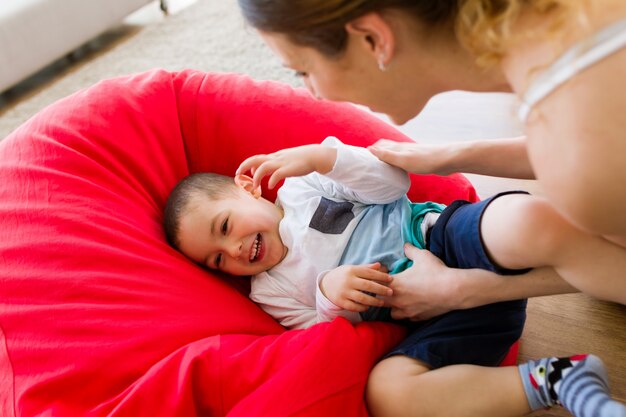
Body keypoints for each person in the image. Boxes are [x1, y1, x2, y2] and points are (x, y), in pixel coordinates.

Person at [235, 1, 626, 415]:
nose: (311, 91)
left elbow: (578, 172)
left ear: (373, 39)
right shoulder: (569, 72)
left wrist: (466, 290)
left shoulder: (584, 152)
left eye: (302, 70)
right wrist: (451, 156)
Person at [164, 138, 624, 417]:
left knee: (519, 220)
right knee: (388, 396)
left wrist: (326, 157)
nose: (234, 250)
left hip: (443, 238)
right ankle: (559, 380)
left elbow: (392, 185)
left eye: (225, 228)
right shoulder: (271, 290)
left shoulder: (302, 186)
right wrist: (328, 295)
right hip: (432, 319)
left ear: (247, 188)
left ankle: (593, 242)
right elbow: (317, 335)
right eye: (217, 261)